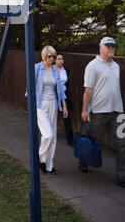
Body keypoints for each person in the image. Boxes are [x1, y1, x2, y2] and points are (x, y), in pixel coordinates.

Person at [79, 37, 125, 187]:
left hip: (118, 111)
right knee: (92, 140)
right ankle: (83, 161)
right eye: (108, 46)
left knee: (122, 143)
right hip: (99, 112)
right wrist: (85, 110)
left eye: (113, 46)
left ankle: (121, 176)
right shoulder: (93, 66)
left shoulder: (116, 66)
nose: (111, 48)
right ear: (100, 47)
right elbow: (88, 90)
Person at [33, 45, 68, 174]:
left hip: (53, 103)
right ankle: (40, 157)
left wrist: (64, 105)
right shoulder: (37, 68)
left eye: (54, 56)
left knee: (53, 138)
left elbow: (60, 89)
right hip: (40, 105)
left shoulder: (55, 70)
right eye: (50, 56)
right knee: (48, 135)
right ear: (44, 56)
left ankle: (48, 166)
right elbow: (30, 88)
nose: (52, 58)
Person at [55, 53, 74, 147]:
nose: (61, 60)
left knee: (67, 117)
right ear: (55, 60)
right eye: (58, 59)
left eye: (62, 59)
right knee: (52, 115)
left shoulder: (65, 70)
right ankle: (49, 135)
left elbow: (66, 83)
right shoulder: (51, 70)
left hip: (64, 95)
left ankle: (70, 139)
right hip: (54, 95)